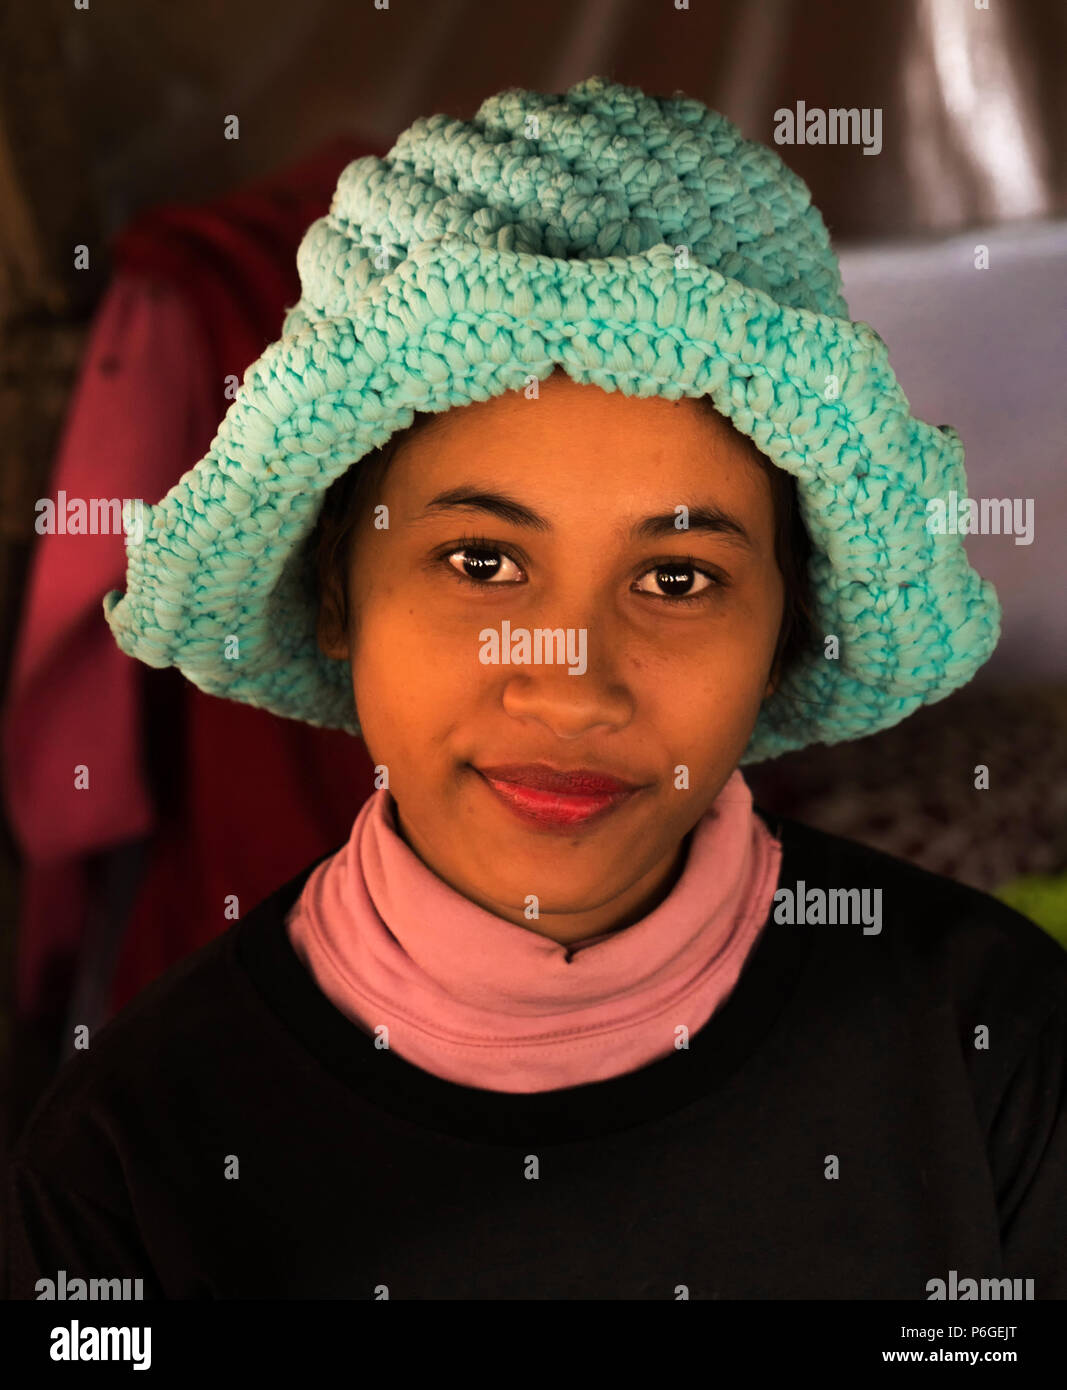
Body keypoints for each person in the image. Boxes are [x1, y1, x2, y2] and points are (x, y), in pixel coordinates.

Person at [5, 76, 1065, 1301]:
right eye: (480, 561)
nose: (572, 690)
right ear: (336, 595)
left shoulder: (995, 1051)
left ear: (787, 625)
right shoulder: (127, 1166)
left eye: (674, 576)